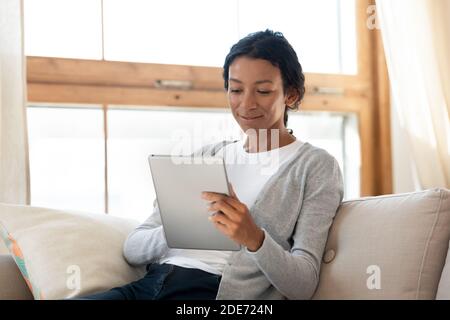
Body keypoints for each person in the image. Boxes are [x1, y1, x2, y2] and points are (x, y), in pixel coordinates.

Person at [79, 29, 344, 300]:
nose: (246, 104)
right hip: (148, 286)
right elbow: (133, 248)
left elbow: (304, 284)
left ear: (291, 95)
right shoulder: (208, 156)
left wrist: (253, 238)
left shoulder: (316, 167)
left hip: (208, 293)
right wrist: (183, 228)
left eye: (263, 91)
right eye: (236, 89)